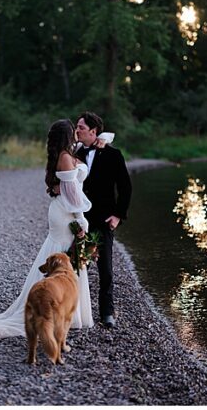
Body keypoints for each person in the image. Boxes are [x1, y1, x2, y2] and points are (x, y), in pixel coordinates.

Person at [0, 119, 94, 341]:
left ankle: (66, 309)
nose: (76, 134)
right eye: (74, 131)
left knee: (62, 253)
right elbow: (71, 193)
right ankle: (53, 308)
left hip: (61, 209)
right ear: (68, 136)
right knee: (64, 254)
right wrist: (82, 220)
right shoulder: (64, 157)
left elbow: (66, 183)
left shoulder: (63, 154)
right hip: (67, 213)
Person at [74, 111, 131, 328]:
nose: (77, 130)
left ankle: (107, 312)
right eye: (77, 127)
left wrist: (118, 215)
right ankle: (76, 310)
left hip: (103, 219)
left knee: (105, 268)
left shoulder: (113, 155)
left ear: (93, 131)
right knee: (78, 264)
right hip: (78, 217)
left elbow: (125, 187)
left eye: (81, 127)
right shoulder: (75, 152)